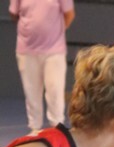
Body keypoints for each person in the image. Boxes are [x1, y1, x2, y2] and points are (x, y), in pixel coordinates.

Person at [9, 0, 76, 133]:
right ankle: (34, 128)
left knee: (55, 90)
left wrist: (54, 32)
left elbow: (69, 14)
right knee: (31, 91)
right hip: (26, 50)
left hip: (54, 50)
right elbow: (14, 13)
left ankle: (57, 127)